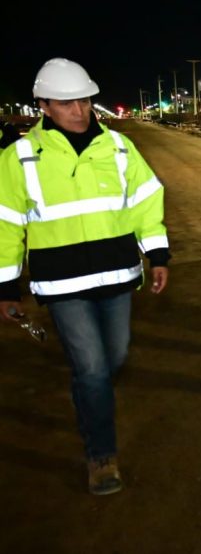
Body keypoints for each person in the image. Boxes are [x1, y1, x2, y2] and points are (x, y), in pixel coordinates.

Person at [0, 58, 170, 495]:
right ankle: (101, 456)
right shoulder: (19, 158)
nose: (79, 110)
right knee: (94, 367)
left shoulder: (117, 148)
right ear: (44, 106)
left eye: (84, 100)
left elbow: (146, 200)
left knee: (112, 359)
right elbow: (5, 223)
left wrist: (158, 255)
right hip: (62, 285)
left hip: (117, 276)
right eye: (66, 102)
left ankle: (87, 395)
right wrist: (5, 286)